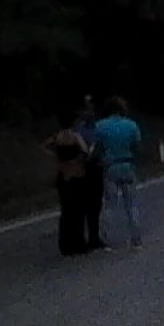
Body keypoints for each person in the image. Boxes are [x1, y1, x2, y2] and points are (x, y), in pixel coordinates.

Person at [94, 97, 144, 249]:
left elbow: (97, 147)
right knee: (131, 205)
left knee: (109, 205)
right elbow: (136, 144)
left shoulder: (100, 126)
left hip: (110, 166)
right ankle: (136, 239)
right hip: (127, 164)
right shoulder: (131, 125)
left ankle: (106, 240)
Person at [42, 118, 93, 256]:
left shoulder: (57, 137)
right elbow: (85, 151)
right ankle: (79, 243)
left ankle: (65, 245)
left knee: (66, 211)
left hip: (63, 175)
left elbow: (44, 146)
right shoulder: (75, 136)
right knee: (79, 210)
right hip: (76, 175)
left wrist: (56, 158)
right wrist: (77, 162)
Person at [73, 99, 106, 251]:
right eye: (86, 110)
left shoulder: (98, 128)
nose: (89, 113)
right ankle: (82, 238)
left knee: (96, 204)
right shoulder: (78, 129)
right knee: (84, 204)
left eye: (91, 110)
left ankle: (94, 237)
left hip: (96, 167)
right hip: (83, 168)